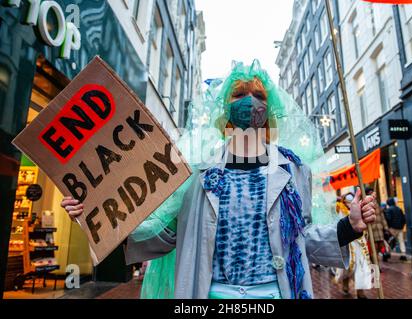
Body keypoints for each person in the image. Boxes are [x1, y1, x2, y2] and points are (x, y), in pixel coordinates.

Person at [61, 60, 377, 299]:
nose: (250, 101)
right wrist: (95, 216)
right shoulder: (196, 175)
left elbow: (300, 239)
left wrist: (348, 226)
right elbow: (167, 235)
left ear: (269, 111)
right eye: (240, 95)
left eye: (258, 95)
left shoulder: (294, 171)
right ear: (226, 110)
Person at [334, 193, 372, 299]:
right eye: (347, 202)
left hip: (359, 242)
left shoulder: (358, 209)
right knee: (347, 266)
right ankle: (345, 284)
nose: (349, 204)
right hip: (348, 242)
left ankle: (360, 291)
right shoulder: (340, 209)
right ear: (344, 202)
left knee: (361, 266)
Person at [365, 188, 390, 263]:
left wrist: (386, 228)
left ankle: (376, 263)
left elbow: (382, 217)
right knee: (373, 250)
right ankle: (376, 266)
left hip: (379, 230)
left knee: (380, 249)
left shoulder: (377, 203)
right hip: (371, 231)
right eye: (371, 193)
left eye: (373, 193)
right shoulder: (365, 204)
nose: (373, 195)